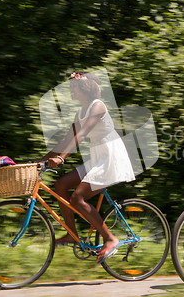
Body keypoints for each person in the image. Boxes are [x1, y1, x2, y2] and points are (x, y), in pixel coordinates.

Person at [36, 71, 135, 263]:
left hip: (110, 157)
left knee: (77, 197)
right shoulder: (80, 112)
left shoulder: (97, 106)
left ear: (86, 88)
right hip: (98, 157)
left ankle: (110, 238)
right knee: (61, 185)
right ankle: (71, 233)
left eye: (74, 87)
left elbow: (81, 135)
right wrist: (40, 160)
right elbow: (66, 140)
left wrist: (62, 159)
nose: (71, 90)